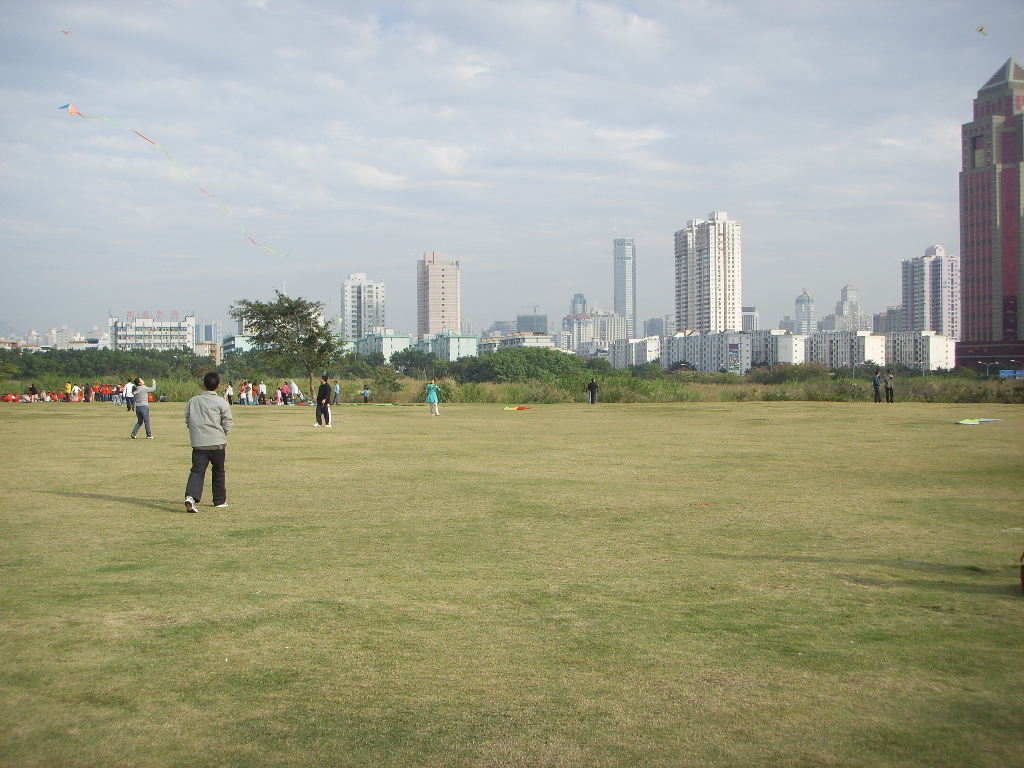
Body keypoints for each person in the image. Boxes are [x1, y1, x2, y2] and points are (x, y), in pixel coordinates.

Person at [184, 371, 233, 513]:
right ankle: (219, 500)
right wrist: (223, 433)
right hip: (217, 442)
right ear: (218, 386)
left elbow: (188, 419)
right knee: (218, 471)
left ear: (203, 385)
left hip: (199, 442)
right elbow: (227, 421)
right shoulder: (221, 402)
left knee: (197, 471)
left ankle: (191, 496)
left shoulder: (193, 401)